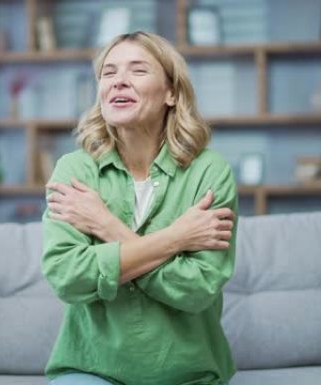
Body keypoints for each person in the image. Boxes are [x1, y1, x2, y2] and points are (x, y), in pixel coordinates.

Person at [42, 31, 238, 385]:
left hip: (188, 374)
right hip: (91, 369)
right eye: (109, 73)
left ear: (171, 93)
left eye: (137, 70)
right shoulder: (74, 171)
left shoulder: (209, 172)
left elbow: (197, 289)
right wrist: (177, 238)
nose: (119, 82)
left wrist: (105, 225)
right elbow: (67, 277)